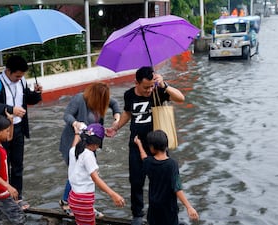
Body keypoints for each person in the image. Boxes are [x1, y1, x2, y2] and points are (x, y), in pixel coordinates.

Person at [106, 66, 185, 225]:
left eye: (151, 86)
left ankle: (169, 213)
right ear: (136, 82)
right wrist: (116, 127)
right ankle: (137, 214)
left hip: (158, 144)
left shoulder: (158, 90)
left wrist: (165, 86)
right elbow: (128, 113)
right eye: (145, 87)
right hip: (137, 143)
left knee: (165, 181)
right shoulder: (129, 94)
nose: (149, 90)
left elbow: (180, 98)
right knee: (136, 180)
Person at [0, 55, 43, 210]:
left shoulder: (22, 81)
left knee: (18, 165)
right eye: (17, 76)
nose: (19, 79)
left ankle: (17, 196)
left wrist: (36, 94)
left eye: (22, 76)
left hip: (18, 128)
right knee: (3, 167)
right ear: (8, 71)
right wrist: (11, 110)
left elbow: (28, 100)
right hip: (2, 130)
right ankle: (5, 196)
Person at [59, 82, 121, 217]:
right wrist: (76, 124)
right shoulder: (80, 99)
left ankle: (81, 204)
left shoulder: (102, 99)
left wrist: (116, 119)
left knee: (86, 173)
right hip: (74, 142)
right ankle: (67, 202)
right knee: (76, 173)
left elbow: (115, 104)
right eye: (102, 100)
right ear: (95, 96)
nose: (103, 103)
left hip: (90, 144)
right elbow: (67, 115)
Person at [134, 130, 199, 225]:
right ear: (166, 145)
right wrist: (189, 206)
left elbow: (144, 157)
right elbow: (177, 187)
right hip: (169, 209)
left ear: (152, 147)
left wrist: (139, 144)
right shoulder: (172, 164)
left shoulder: (149, 163)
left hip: (154, 208)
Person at [68, 123, 125, 225]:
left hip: (73, 197)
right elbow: (96, 178)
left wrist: (77, 132)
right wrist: (113, 194)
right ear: (96, 144)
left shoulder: (73, 150)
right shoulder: (88, 155)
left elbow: (76, 141)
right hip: (83, 200)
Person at [0, 113, 26, 225]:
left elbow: (9, 137)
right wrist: (8, 186)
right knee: (18, 216)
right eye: (6, 131)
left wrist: (11, 122)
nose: (8, 133)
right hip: (0, 191)